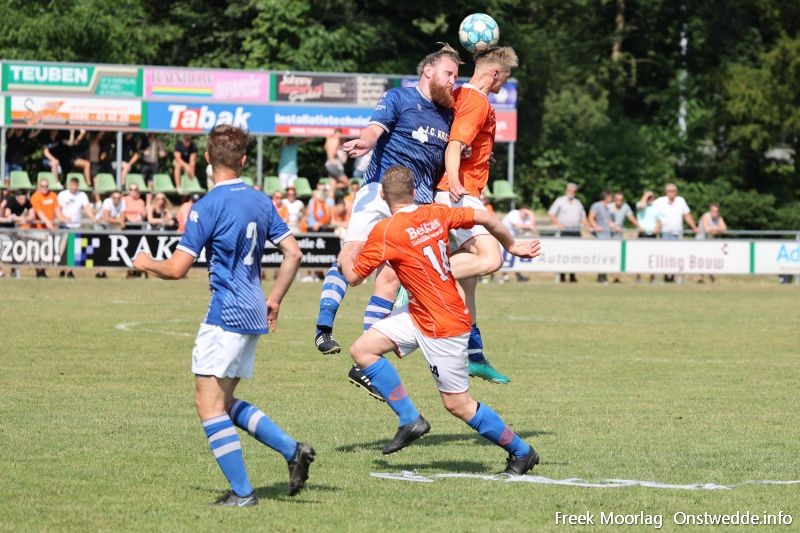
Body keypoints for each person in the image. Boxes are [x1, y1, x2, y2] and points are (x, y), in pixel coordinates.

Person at [132, 124, 314, 506]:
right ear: (244, 160)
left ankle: (244, 493)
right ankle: (292, 449)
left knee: (208, 404)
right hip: (253, 312)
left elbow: (177, 268)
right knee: (225, 402)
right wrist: (275, 299)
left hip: (226, 314)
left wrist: (146, 262)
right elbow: (294, 253)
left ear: (207, 159)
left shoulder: (207, 206)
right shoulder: (261, 200)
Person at [339, 165, 542, 474]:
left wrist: (345, 253)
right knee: (363, 350)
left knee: (458, 405)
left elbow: (353, 277)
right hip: (421, 312)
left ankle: (522, 451)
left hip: (443, 326)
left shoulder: (386, 231)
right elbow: (487, 218)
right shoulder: (436, 212)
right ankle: (410, 419)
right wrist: (511, 246)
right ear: (414, 192)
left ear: (382, 195)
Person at [313, 43, 459, 365]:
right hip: (379, 189)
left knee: (391, 276)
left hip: (415, 204)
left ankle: (368, 353)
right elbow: (374, 129)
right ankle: (323, 328)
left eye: (456, 76)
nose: (453, 81)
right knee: (352, 260)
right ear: (428, 70)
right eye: (449, 74)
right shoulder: (398, 98)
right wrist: (365, 142)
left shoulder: (449, 115)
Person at [434, 45, 519, 384]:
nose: (505, 83)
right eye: (506, 77)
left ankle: (474, 355)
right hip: (459, 194)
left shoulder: (459, 95)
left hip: (457, 191)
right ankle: (421, 276)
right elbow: (456, 143)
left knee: (467, 283)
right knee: (491, 257)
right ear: (495, 73)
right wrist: (455, 180)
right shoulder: (478, 100)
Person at [654, 183, 698, 282]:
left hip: (677, 233)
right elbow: (650, 209)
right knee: (665, 254)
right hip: (664, 232)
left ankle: (673, 275)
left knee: (676, 255)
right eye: (669, 191)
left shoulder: (680, 201)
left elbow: (687, 215)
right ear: (666, 192)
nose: (671, 193)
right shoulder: (660, 201)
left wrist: (694, 227)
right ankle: (666, 275)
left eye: (673, 191)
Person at [548, 182, 587, 283]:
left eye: (573, 191)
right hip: (564, 232)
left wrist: (585, 225)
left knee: (574, 253)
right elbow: (551, 213)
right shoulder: (560, 201)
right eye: (570, 190)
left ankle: (572, 275)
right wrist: (558, 224)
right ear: (566, 190)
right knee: (563, 253)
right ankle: (562, 275)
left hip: (575, 231)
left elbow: (583, 216)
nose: (571, 192)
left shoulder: (578, 203)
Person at [57, 177, 94, 278]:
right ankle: (61, 270)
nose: (74, 187)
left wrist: (93, 218)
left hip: (76, 226)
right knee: (62, 248)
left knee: (73, 250)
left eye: (75, 186)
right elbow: (58, 209)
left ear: (78, 186)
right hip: (64, 226)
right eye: (72, 185)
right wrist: (63, 218)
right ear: (69, 185)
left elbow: (87, 208)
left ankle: (70, 271)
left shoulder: (82, 195)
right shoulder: (62, 194)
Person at [29, 178, 61, 278]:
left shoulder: (53, 195)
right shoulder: (35, 197)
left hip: (50, 229)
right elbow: (39, 212)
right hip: (38, 229)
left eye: (46, 186)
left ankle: (42, 271)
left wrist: (62, 218)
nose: (44, 188)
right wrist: (47, 222)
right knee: (37, 252)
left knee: (48, 251)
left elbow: (57, 210)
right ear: (39, 186)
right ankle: (38, 272)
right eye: (42, 186)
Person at [501, 206, 536, 283]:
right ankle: (505, 276)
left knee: (514, 257)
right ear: (521, 210)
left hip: (512, 239)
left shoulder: (526, 217)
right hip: (502, 238)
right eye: (525, 213)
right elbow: (517, 225)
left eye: (527, 214)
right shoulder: (514, 213)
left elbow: (532, 225)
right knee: (504, 257)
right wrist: (529, 226)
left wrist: (531, 214)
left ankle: (518, 275)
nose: (525, 215)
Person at [609, 192, 638, 282]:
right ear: (614, 199)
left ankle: (616, 277)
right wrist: (613, 225)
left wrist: (639, 226)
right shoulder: (609, 206)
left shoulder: (625, 207)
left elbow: (631, 217)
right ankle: (604, 276)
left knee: (617, 255)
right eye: (617, 199)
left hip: (618, 235)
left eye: (621, 199)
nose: (619, 201)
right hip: (608, 235)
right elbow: (605, 218)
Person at [696, 203, 727, 283]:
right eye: (713, 211)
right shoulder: (706, 216)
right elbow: (707, 229)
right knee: (702, 258)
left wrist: (714, 230)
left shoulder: (719, 217)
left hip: (710, 241)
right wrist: (718, 229)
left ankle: (710, 274)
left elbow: (724, 229)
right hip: (701, 241)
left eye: (716, 211)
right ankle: (701, 277)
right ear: (710, 210)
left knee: (710, 257)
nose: (714, 213)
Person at [588, 191, 614, 284]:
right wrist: (596, 226)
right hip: (600, 236)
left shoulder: (608, 207)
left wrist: (615, 226)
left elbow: (609, 221)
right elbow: (590, 217)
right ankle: (601, 277)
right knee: (601, 257)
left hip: (607, 236)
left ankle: (604, 276)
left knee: (606, 257)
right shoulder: (596, 205)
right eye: (610, 196)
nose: (611, 198)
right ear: (606, 197)